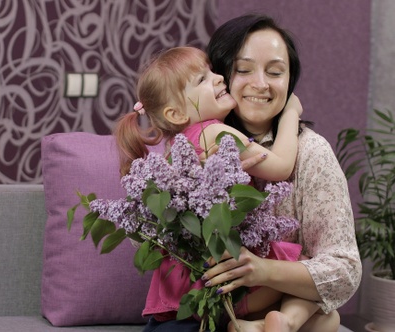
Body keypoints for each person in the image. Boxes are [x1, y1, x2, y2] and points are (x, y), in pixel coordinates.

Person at [112, 46, 304, 332]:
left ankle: (255, 326)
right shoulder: (215, 132)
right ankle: (250, 321)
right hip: (220, 271)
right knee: (298, 275)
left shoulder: (176, 147)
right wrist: (291, 112)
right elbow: (281, 167)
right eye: (202, 79)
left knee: (326, 316)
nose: (218, 78)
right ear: (175, 113)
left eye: (212, 71)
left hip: (189, 278)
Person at [203, 13, 362, 332]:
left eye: (275, 72)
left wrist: (262, 271)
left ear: (290, 82)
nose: (260, 84)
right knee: (327, 322)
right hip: (216, 305)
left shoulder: (312, 153)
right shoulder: (204, 143)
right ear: (219, 76)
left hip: (282, 301)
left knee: (326, 318)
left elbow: (344, 270)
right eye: (244, 69)